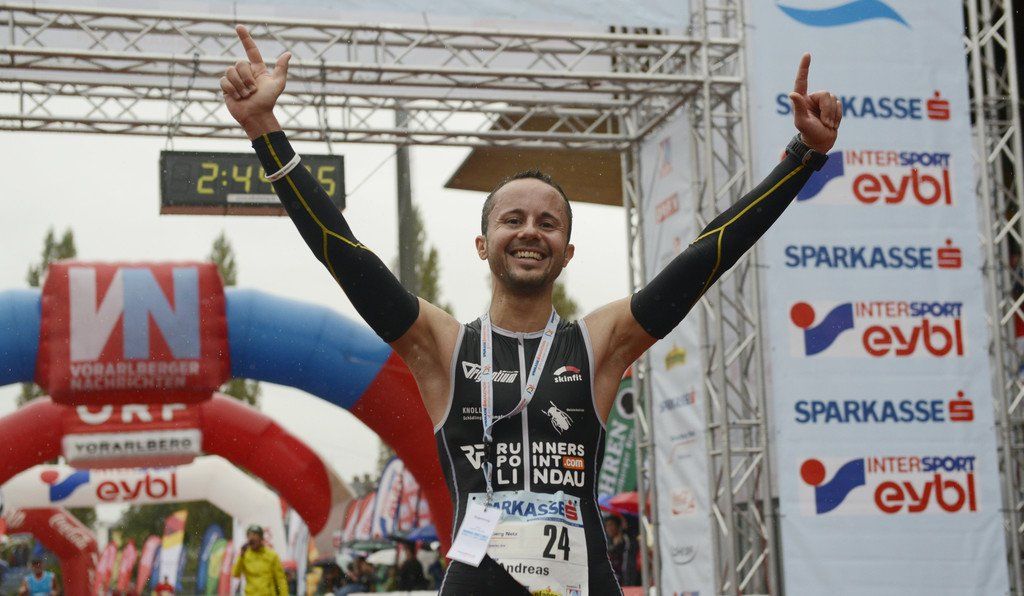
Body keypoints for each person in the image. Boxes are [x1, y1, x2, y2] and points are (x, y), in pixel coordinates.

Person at [221, 24, 840, 595]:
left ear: (566, 253)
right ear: (482, 243)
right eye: (511, 219)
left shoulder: (598, 344)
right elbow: (344, 253)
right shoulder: (443, 346)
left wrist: (801, 159)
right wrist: (264, 130)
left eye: (548, 223)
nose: (529, 232)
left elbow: (705, 257)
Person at [231, 525, 288, 595]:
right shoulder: (245, 555)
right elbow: (236, 574)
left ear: (261, 539)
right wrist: (241, 556)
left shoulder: (272, 555)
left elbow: (280, 579)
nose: (252, 539)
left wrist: (284, 594)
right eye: (250, 537)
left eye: (255, 536)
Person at [603, 516, 638, 586]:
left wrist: (619, 545)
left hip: (627, 582)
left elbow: (628, 565)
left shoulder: (627, 541)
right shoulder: (607, 542)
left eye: (611, 525)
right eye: (606, 526)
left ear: (618, 526)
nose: (609, 528)